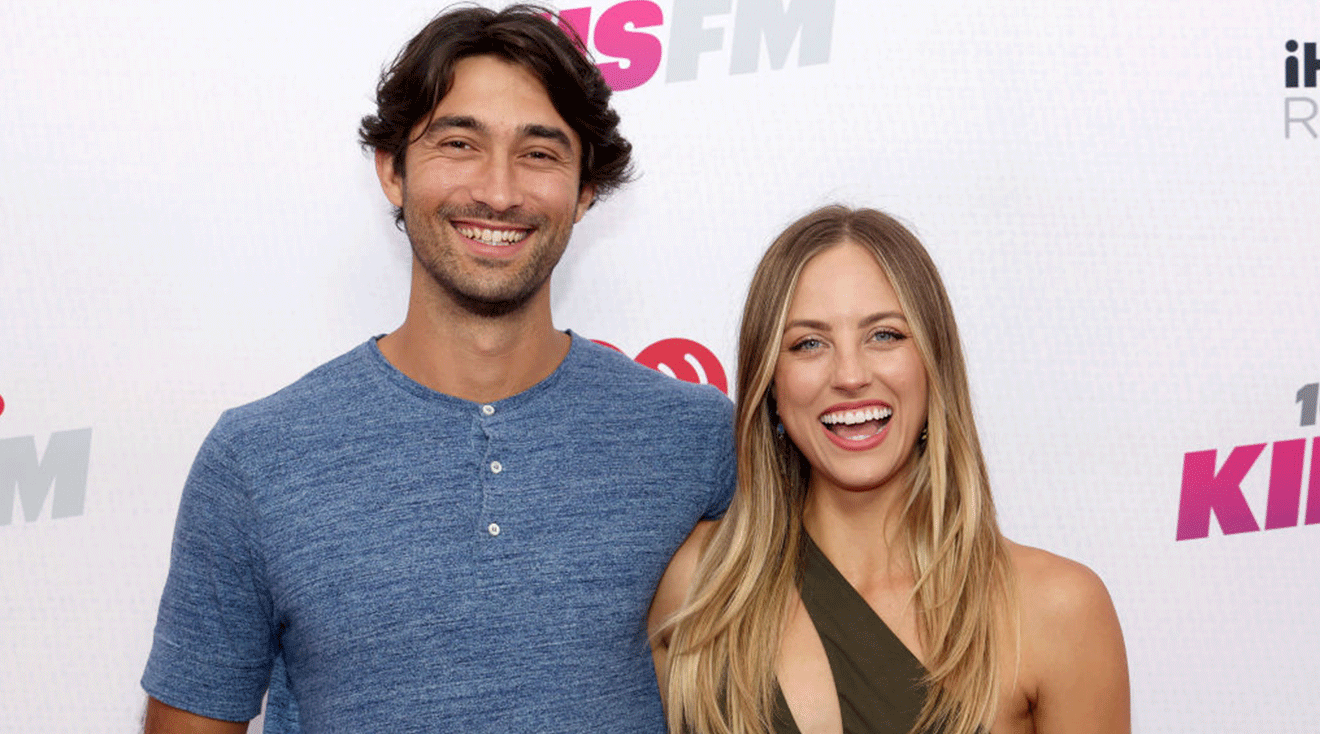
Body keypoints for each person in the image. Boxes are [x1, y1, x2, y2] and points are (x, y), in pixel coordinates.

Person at [140, 5, 734, 733]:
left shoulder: (701, 441)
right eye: (459, 143)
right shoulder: (256, 460)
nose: (499, 190)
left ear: (585, 191)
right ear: (393, 170)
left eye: (540, 153)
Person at [649, 206, 1129, 734]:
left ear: (933, 362)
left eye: (885, 335)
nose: (851, 375)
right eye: (809, 343)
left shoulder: (1054, 609)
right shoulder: (698, 589)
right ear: (770, 386)